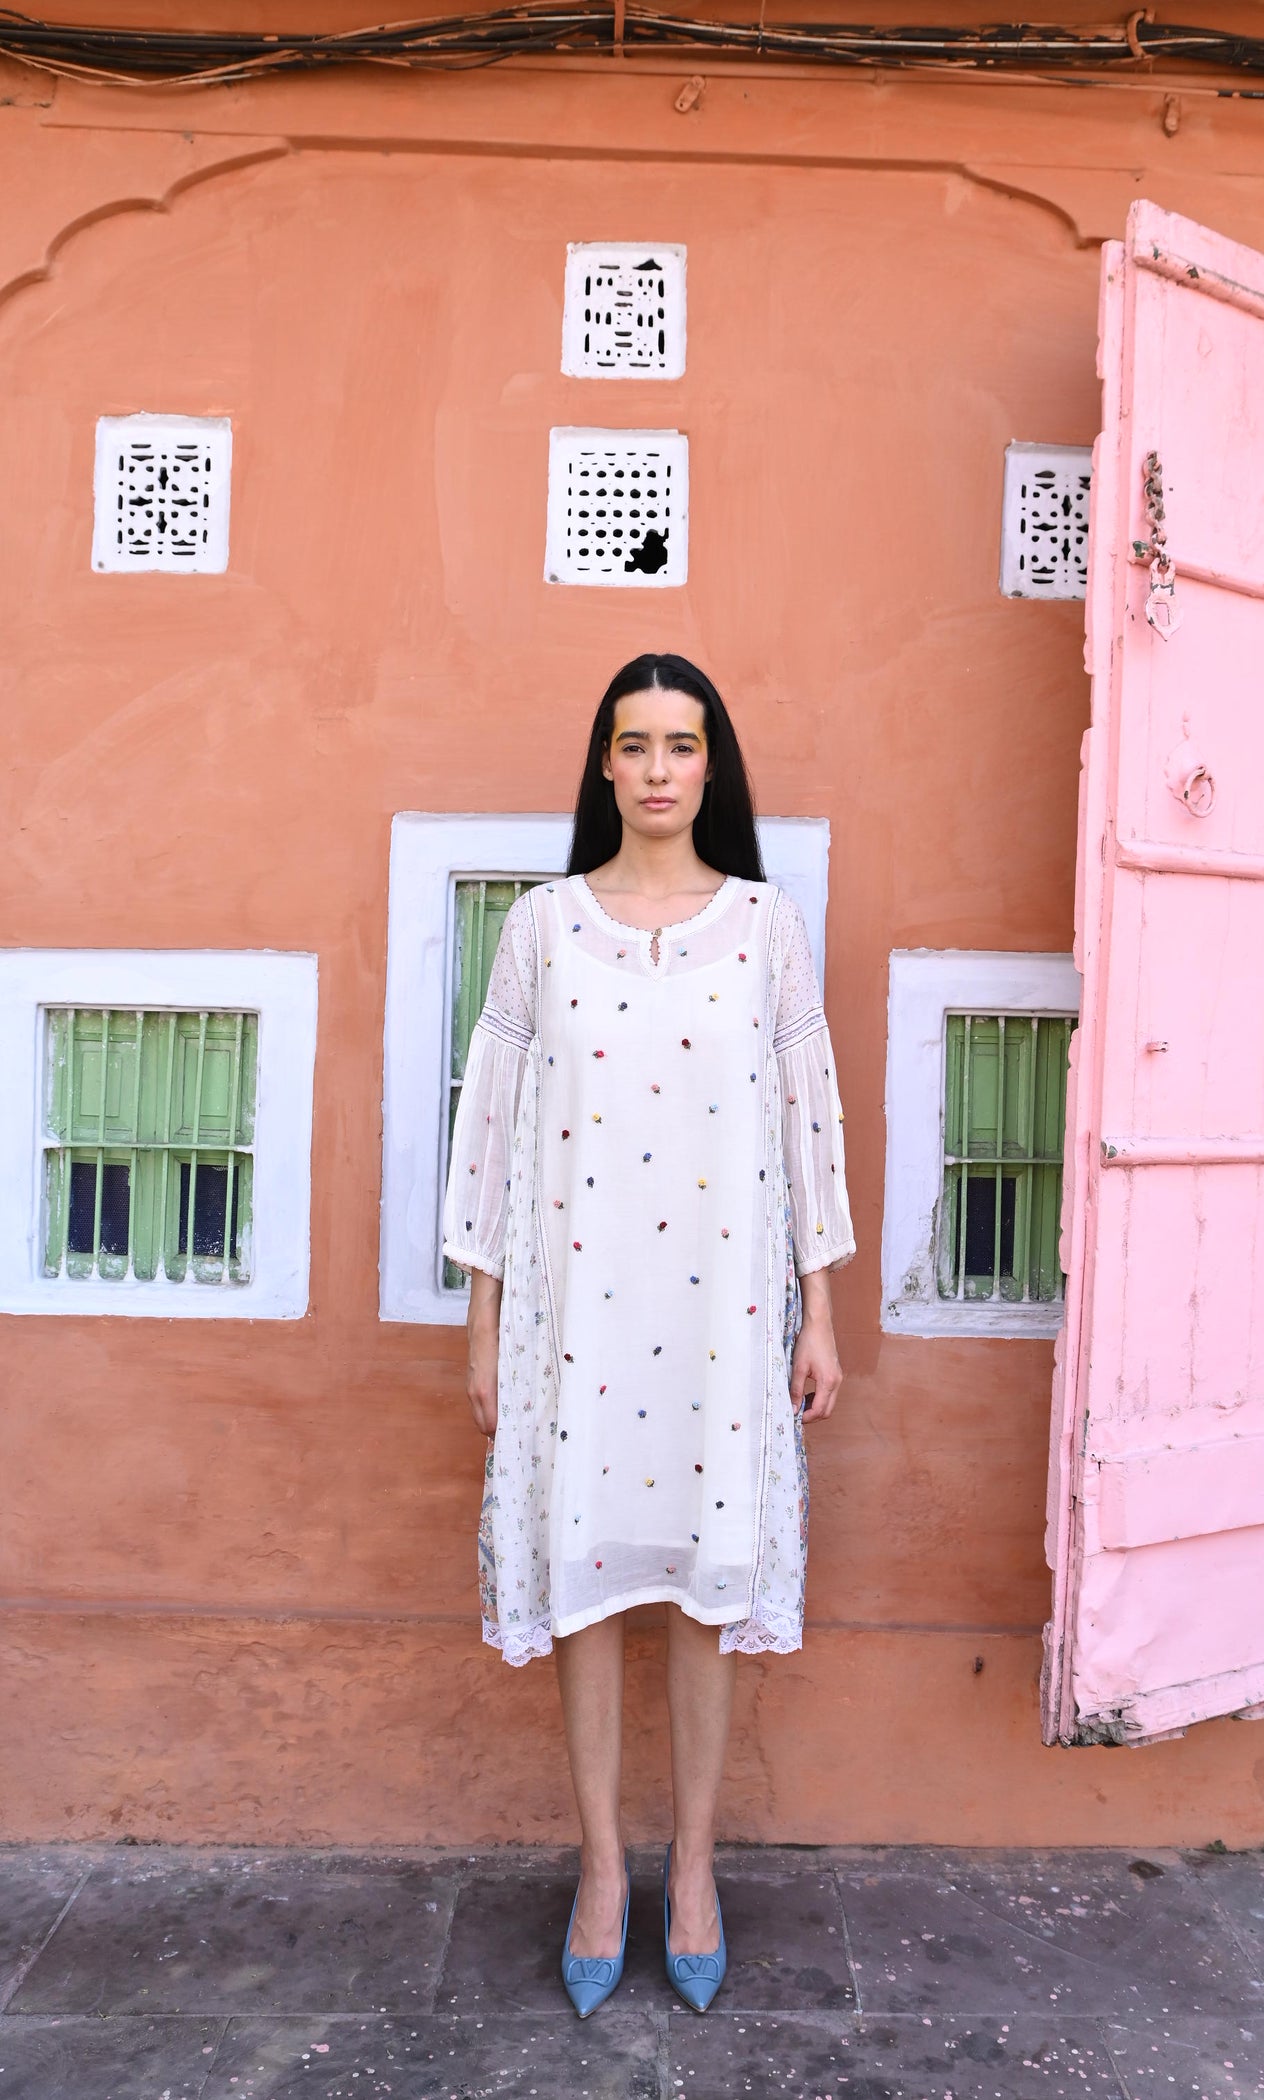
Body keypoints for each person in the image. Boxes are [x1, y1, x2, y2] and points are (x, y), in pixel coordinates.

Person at [442, 653, 855, 2016]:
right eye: (638, 744)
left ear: (711, 767)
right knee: (582, 1589)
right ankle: (604, 1868)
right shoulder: (544, 930)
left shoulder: (764, 927)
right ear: (605, 766)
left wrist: (825, 1319)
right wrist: (483, 1317)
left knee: (701, 1591)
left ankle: (692, 1869)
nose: (663, 768)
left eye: (685, 744)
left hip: (723, 1312)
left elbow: (808, 1127)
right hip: (576, 1316)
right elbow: (490, 1127)